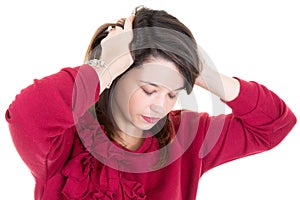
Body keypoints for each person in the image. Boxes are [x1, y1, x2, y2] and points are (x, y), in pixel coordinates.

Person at [5, 6, 296, 200]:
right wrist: (102, 66)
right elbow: (25, 117)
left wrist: (209, 76)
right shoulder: (64, 143)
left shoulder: (189, 138)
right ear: (117, 77)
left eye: (173, 93)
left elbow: (273, 127)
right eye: (149, 89)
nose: (161, 106)